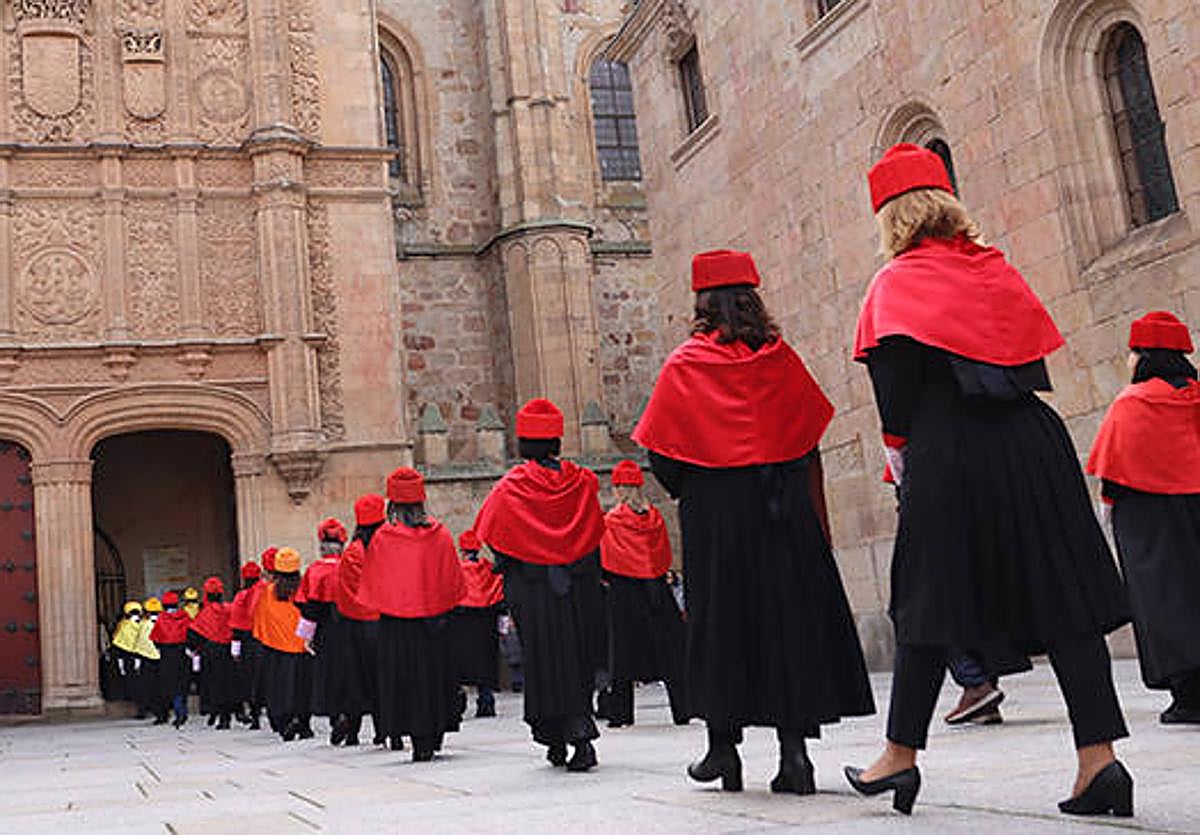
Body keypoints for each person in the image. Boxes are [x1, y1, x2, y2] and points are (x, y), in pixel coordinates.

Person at [845, 143, 1133, 817]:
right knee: (1065, 600)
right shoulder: (996, 270)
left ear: (890, 215)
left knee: (926, 597)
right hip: (1034, 440)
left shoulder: (895, 284)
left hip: (948, 448)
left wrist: (903, 469)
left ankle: (900, 755)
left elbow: (896, 403)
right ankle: (1101, 761)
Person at [634, 249, 874, 795]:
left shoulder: (686, 364)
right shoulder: (780, 360)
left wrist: (703, 476)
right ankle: (795, 758)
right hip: (784, 512)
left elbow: (664, 456)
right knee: (785, 625)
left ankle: (723, 749)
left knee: (723, 625)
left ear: (701, 303)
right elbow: (807, 432)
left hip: (719, 519)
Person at [475, 398, 607, 773]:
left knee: (545, 660)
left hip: (534, 589)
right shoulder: (582, 483)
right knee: (576, 656)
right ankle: (579, 728)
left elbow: (494, 535)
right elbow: (596, 531)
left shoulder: (513, 486)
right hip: (577, 586)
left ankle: (557, 736)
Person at [1088, 310, 1200, 726]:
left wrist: (1107, 510)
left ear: (1145, 354)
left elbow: (1114, 466)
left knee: (1164, 600)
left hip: (1149, 513)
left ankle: (1188, 695)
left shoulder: (1133, 402)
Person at [358, 468, 465, 762]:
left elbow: (374, 583)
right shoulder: (440, 535)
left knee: (406, 680)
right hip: (436, 624)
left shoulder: (383, 539)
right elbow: (453, 580)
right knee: (435, 678)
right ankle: (435, 732)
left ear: (392, 505)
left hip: (398, 626)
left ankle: (417, 738)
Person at [598, 460, 689, 728]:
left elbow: (605, 559)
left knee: (623, 654)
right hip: (656, 590)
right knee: (670, 652)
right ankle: (683, 709)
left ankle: (621, 714)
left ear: (618, 489)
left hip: (624, 592)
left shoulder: (612, 522)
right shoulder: (656, 520)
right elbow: (663, 556)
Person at [330, 495, 385, 748]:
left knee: (356, 680)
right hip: (384, 621)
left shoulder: (353, 552)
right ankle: (385, 730)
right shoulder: (386, 547)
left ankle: (352, 731)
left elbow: (345, 591)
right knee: (383, 679)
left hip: (355, 624)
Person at [253, 547, 314, 741]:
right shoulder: (304, 589)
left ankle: (284, 722)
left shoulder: (268, 592)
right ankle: (304, 724)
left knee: (279, 688)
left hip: (276, 649)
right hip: (302, 648)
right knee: (302, 688)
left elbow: (260, 620)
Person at [296, 518, 348, 739]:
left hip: (326, 630)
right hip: (350, 626)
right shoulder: (350, 565)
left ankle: (336, 716)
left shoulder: (315, 570)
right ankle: (351, 718)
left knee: (329, 674)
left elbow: (308, 605)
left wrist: (305, 636)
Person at [451, 529, 503, 719]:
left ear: (462, 549)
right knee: (486, 663)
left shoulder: (456, 570)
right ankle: (486, 702)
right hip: (485, 625)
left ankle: (458, 704)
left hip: (461, 625)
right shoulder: (489, 570)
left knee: (459, 665)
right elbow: (499, 598)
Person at [188, 577, 236, 729]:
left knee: (215, 685)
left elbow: (194, 634)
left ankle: (220, 715)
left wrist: (194, 650)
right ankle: (231, 713)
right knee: (229, 684)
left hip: (212, 652)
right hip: (228, 650)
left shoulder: (205, 613)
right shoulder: (230, 608)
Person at [229, 560, 264, 728]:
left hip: (248, 642)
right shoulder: (265, 591)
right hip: (264, 640)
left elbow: (236, 623)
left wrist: (235, 649)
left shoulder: (241, 597)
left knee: (250, 679)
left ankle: (254, 714)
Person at [150, 591, 192, 729]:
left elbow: (155, 639)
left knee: (170, 684)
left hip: (167, 654)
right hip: (182, 653)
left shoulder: (162, 619)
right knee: (183, 682)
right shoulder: (185, 616)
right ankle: (182, 707)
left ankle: (177, 709)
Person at [134, 598, 164, 722]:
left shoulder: (143, 625)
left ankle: (144, 710)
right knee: (160, 687)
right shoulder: (163, 622)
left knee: (145, 687)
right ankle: (161, 710)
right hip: (161, 658)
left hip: (146, 658)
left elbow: (139, 642)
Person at [110, 601, 143, 707]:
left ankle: (132, 697)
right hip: (139, 655)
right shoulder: (143, 624)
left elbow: (117, 640)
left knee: (130, 679)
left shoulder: (122, 624)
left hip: (126, 655)